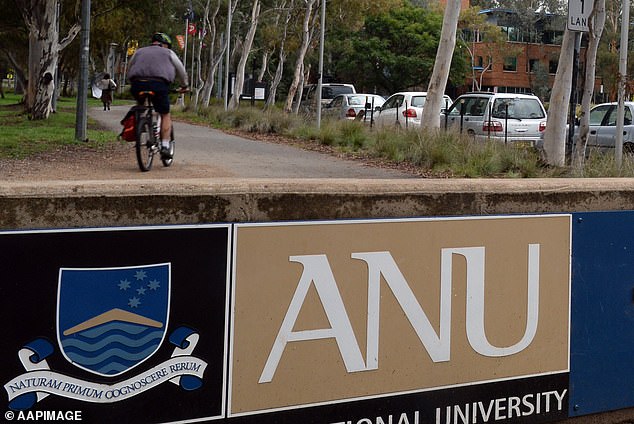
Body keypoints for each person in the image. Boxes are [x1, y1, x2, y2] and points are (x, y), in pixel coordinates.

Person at [126, 32, 189, 159]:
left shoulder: (139, 52)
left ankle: (140, 124)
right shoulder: (169, 53)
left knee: (141, 105)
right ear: (165, 45)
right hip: (159, 84)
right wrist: (185, 85)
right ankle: (165, 146)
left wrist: (131, 81)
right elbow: (181, 70)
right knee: (165, 114)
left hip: (137, 84)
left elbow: (129, 68)